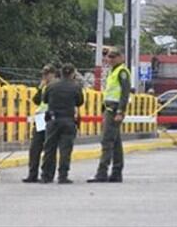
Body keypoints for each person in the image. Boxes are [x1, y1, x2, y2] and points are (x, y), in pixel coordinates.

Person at [88, 50, 131, 183]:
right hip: (109, 108)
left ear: (121, 57)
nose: (110, 59)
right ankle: (116, 173)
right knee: (115, 143)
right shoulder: (113, 71)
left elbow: (125, 94)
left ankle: (102, 172)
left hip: (114, 110)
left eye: (113, 57)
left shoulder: (122, 72)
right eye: (109, 57)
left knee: (107, 141)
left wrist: (120, 111)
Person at [41, 63, 84, 184]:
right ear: (73, 73)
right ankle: (63, 176)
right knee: (65, 150)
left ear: (60, 72)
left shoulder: (51, 85)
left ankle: (46, 175)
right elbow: (80, 102)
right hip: (68, 121)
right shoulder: (76, 86)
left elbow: (44, 100)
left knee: (49, 148)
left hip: (53, 120)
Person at [23, 64, 56, 183]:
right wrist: (40, 87)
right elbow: (36, 100)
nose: (45, 77)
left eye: (47, 74)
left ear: (53, 74)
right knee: (35, 147)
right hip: (40, 117)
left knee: (49, 147)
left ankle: (47, 174)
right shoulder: (44, 86)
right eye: (43, 75)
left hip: (50, 117)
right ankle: (32, 174)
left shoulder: (55, 86)